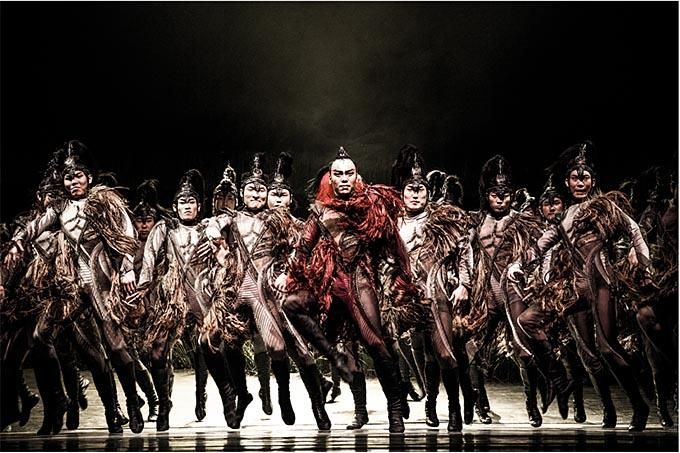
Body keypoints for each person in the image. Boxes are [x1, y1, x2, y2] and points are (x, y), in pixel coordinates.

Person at [509, 141, 654, 431]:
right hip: (575, 286)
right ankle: (561, 381)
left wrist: (643, 260)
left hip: (601, 282)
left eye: (585, 177)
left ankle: (639, 405)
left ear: (593, 180)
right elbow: (540, 245)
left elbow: (633, 229)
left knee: (607, 348)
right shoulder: (564, 216)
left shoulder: (605, 206)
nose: (580, 182)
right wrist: (517, 264)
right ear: (566, 182)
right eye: (575, 178)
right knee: (529, 321)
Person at [283, 146, 420, 433]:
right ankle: (353, 397)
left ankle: (395, 409)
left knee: (376, 344)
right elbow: (304, 247)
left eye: (349, 173)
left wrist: (398, 280)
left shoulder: (372, 204)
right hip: (330, 286)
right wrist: (290, 275)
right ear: (330, 178)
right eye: (339, 174)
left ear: (356, 176)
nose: (344, 178)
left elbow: (392, 245)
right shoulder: (321, 210)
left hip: (360, 280)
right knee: (295, 307)